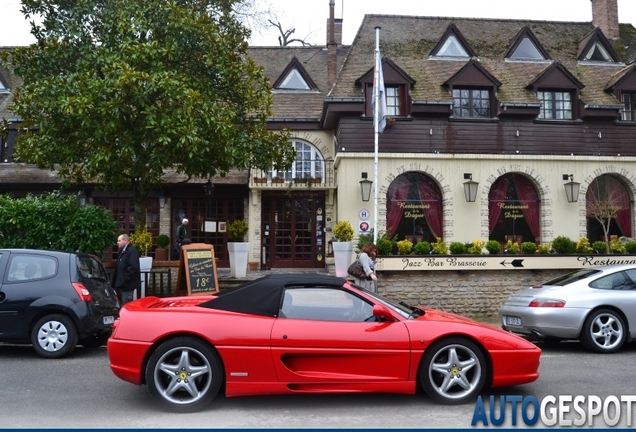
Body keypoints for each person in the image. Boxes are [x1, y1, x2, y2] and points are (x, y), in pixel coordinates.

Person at [111, 233, 141, 305]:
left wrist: (125, 279)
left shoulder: (131, 251)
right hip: (121, 285)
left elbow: (133, 267)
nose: (117, 242)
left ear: (125, 241)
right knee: (122, 304)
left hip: (127, 285)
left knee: (126, 304)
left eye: (119, 241)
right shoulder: (122, 251)